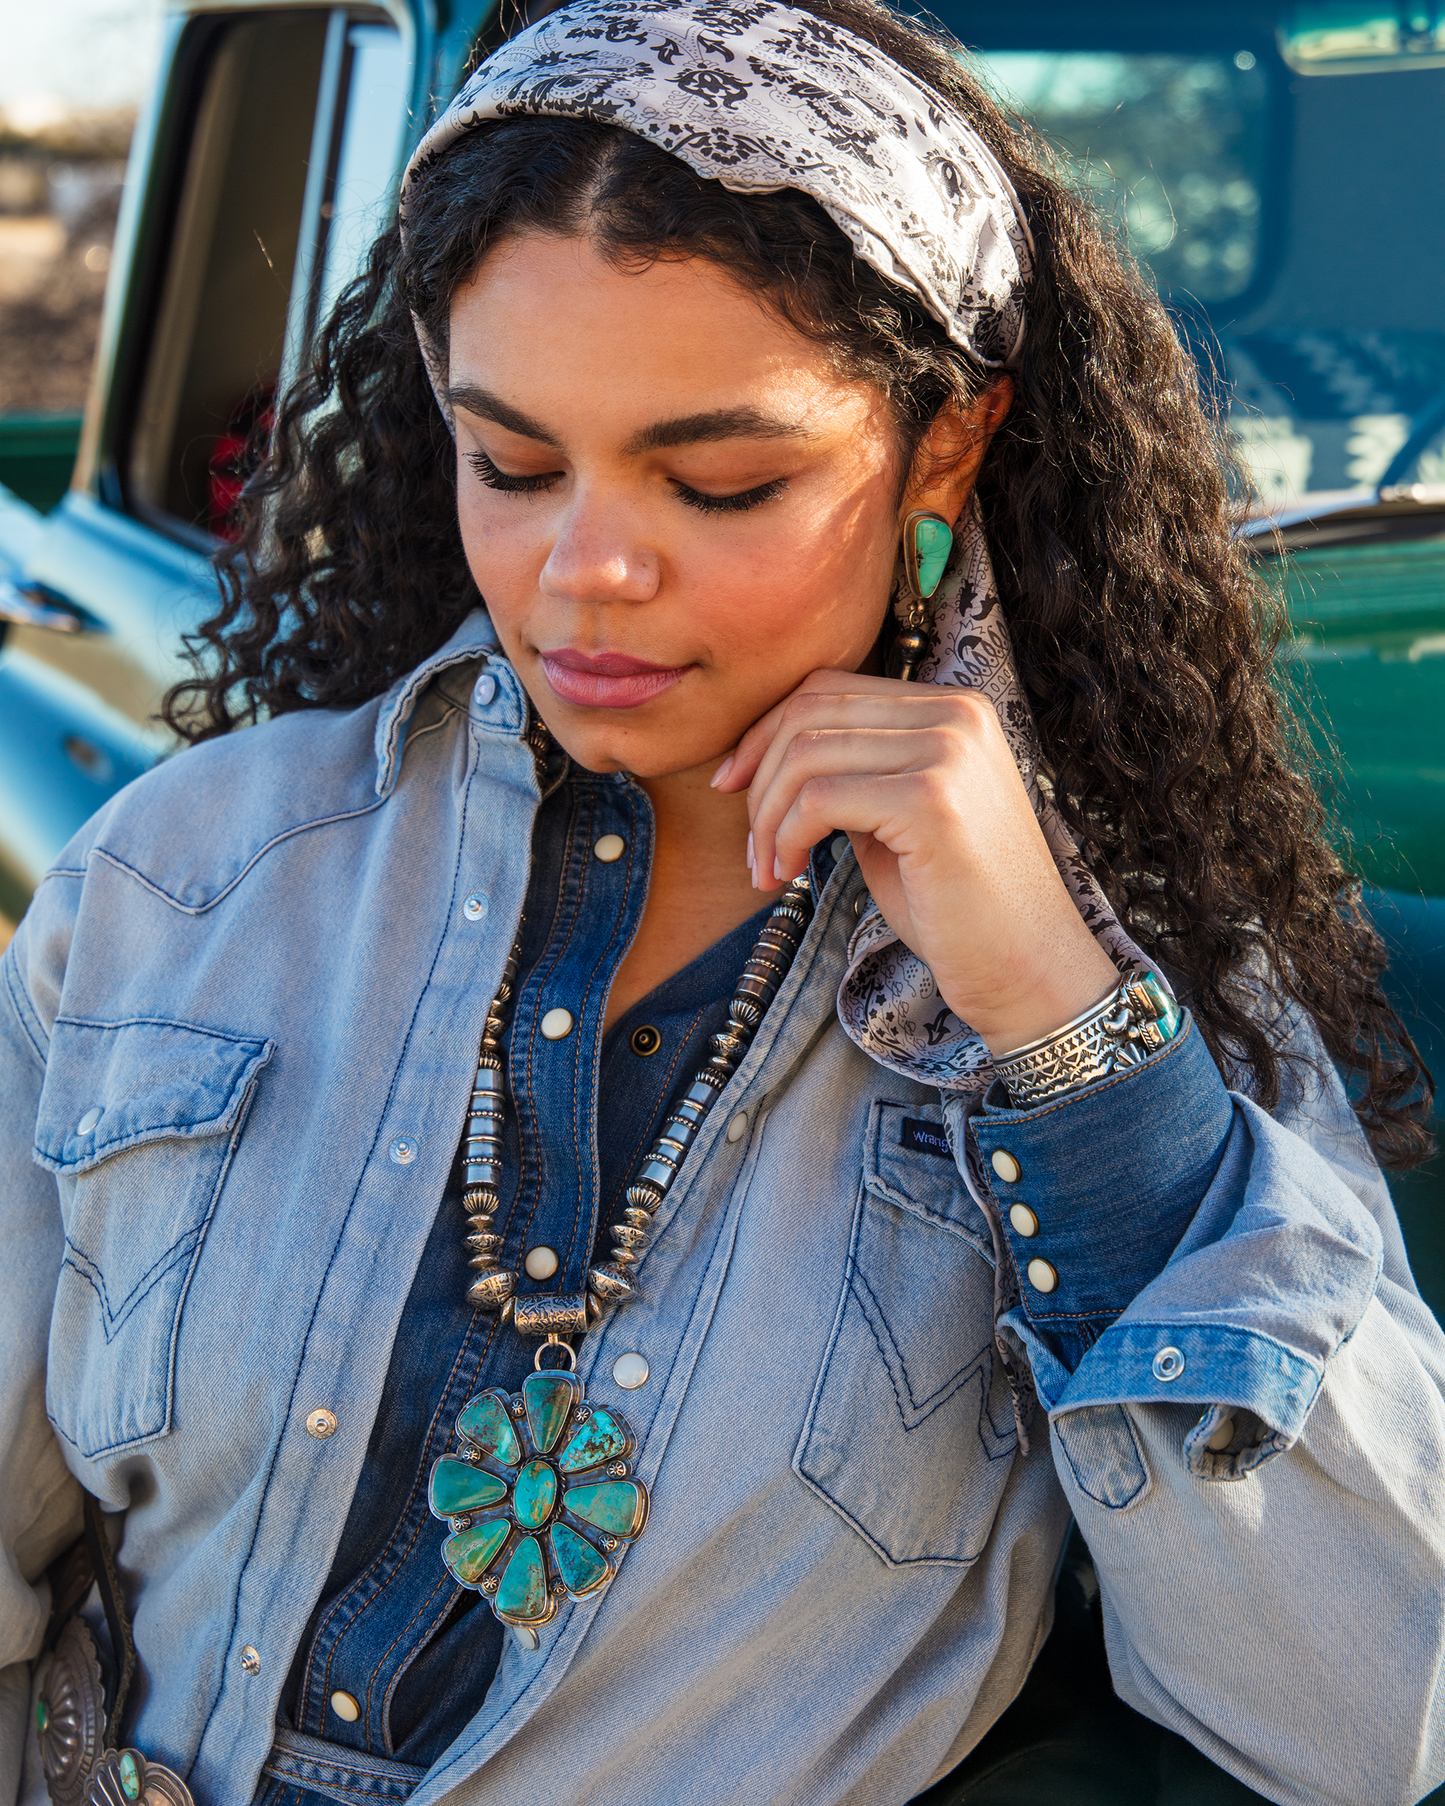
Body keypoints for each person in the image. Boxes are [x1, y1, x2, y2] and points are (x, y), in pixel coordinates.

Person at [3, 1, 1442, 1802]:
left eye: (724, 479)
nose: (585, 569)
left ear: (948, 445)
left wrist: (1063, 1029)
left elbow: (1357, 1713)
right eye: (511, 463)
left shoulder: (1135, 970)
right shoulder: (186, 878)